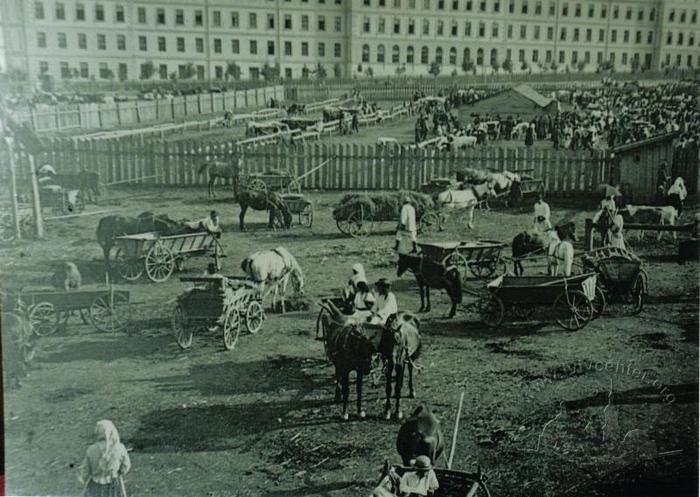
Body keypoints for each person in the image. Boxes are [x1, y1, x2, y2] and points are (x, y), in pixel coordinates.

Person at [78, 420, 131, 497]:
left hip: (95, 485)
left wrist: (85, 479)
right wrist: (118, 472)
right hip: (114, 484)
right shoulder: (119, 448)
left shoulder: (91, 450)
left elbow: (85, 471)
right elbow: (126, 466)